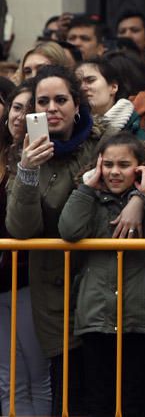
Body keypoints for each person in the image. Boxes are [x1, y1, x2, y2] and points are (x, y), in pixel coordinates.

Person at [4, 65, 145, 415]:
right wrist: (28, 172)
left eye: (61, 99)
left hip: (108, 291)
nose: (52, 108)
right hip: (56, 292)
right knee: (72, 393)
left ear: (77, 104)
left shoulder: (105, 138)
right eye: (42, 101)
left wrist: (139, 199)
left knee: (120, 396)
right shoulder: (26, 154)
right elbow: (20, 230)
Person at [58, 132, 145, 417]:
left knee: (134, 396)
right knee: (98, 396)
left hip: (141, 313)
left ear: (140, 168)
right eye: (109, 164)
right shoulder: (88, 197)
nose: (115, 172)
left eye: (124, 165)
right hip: (96, 313)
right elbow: (69, 230)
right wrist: (85, 189)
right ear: (98, 166)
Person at [0, 83, 51, 415]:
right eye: (16, 107)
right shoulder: (4, 154)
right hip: (1, 284)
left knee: (38, 375)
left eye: (30, 109)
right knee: (8, 378)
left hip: (31, 279)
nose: (21, 115)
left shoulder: (46, 156)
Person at [75, 58, 145, 139]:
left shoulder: (135, 135)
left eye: (90, 80)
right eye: (77, 83)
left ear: (113, 87)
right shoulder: (70, 130)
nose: (82, 88)